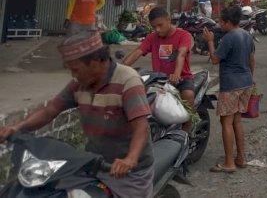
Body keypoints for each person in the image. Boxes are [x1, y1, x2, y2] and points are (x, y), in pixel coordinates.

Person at [0, 32, 153, 197]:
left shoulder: (128, 81)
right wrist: (15, 128)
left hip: (128, 174)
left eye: (76, 70)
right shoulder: (79, 84)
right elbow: (49, 111)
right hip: (90, 164)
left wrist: (130, 159)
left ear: (95, 62)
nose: (74, 75)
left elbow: (141, 127)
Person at [122, 6, 195, 131]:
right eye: (154, 26)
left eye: (160, 25)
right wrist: (119, 69)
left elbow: (181, 54)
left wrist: (176, 74)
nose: (157, 29)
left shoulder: (184, 35)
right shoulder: (152, 37)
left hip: (181, 78)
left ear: (168, 20)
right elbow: (136, 53)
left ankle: (186, 133)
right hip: (159, 79)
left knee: (188, 94)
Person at [204, 6, 255, 174]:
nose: (219, 24)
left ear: (227, 22)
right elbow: (251, 60)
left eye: (221, 21)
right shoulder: (247, 35)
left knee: (226, 122)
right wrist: (250, 79)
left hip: (231, 84)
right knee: (237, 121)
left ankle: (229, 162)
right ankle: (241, 157)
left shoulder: (228, 38)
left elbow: (215, 60)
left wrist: (210, 42)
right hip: (245, 82)